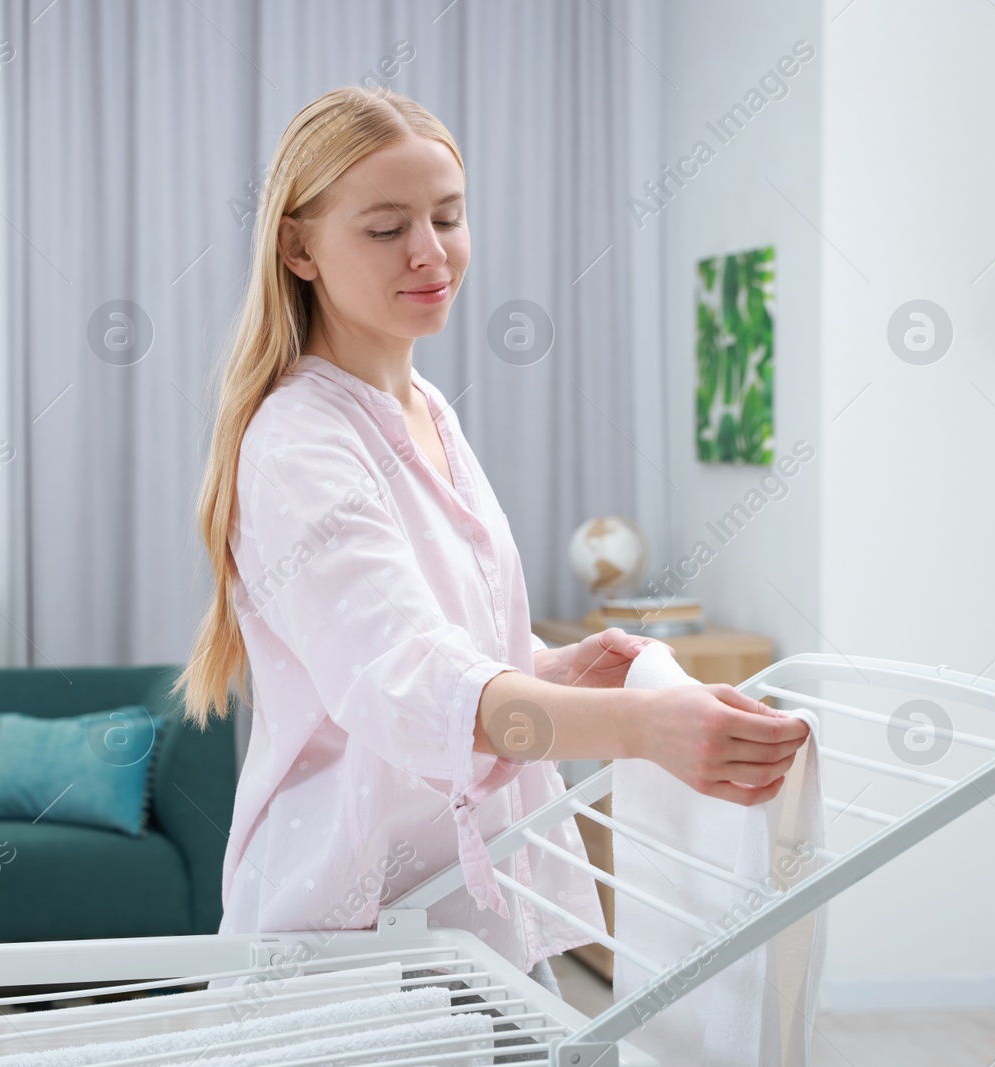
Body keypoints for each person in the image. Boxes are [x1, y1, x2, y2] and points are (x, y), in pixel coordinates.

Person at [173, 86, 810, 989]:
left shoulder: (425, 409)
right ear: (298, 245)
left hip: (478, 909)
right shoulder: (298, 442)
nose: (431, 252)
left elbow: (438, 658)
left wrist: (548, 670)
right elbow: (406, 683)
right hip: (353, 935)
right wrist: (643, 728)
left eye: (449, 216)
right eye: (387, 227)